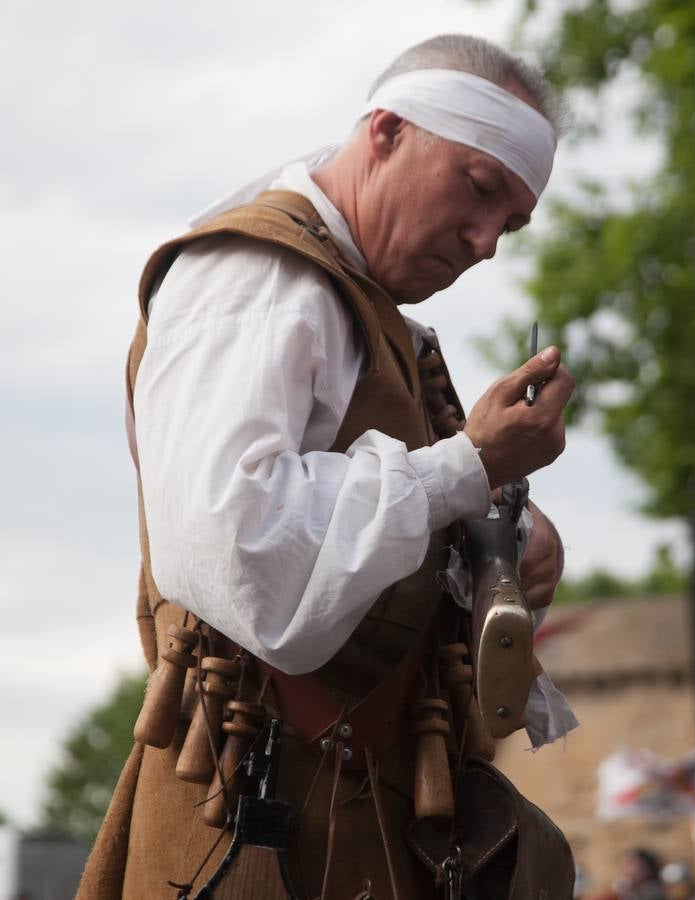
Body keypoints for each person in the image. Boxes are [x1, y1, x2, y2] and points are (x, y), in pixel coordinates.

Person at [77, 34, 577, 900]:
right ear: (385, 132)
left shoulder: (359, 301)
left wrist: (504, 534)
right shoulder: (254, 278)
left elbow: (377, 543)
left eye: (511, 223)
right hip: (249, 821)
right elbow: (241, 547)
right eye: (480, 187)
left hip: (360, 806)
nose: (486, 241)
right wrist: (467, 465)